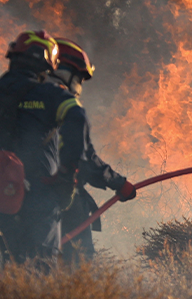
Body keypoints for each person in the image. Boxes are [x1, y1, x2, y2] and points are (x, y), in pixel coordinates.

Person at [0, 30, 87, 264]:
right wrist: (66, 174)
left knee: (12, 264)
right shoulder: (52, 96)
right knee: (40, 268)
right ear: (47, 65)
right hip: (39, 199)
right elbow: (78, 121)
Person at [48, 38, 136, 264]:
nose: (79, 84)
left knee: (31, 262)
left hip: (20, 196)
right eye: (78, 77)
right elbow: (84, 159)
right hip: (61, 196)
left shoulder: (23, 100)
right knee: (77, 260)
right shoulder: (61, 104)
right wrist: (118, 183)